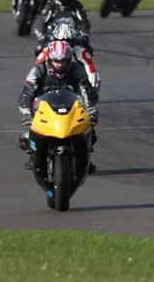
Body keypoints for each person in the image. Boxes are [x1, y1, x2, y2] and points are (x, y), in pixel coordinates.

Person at [18, 41, 99, 171]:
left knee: (90, 132)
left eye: (63, 61)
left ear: (69, 59)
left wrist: (90, 108)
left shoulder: (77, 69)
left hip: (71, 109)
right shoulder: (38, 70)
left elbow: (86, 89)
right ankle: (35, 156)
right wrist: (26, 113)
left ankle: (83, 158)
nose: (60, 64)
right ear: (50, 59)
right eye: (56, 61)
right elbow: (27, 93)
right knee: (26, 138)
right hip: (43, 111)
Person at [35, 19, 100, 91]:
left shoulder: (80, 52)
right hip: (50, 85)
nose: (65, 44)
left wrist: (92, 88)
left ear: (73, 40)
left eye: (68, 41)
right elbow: (37, 70)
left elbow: (91, 71)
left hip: (73, 86)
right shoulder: (48, 50)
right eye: (61, 40)